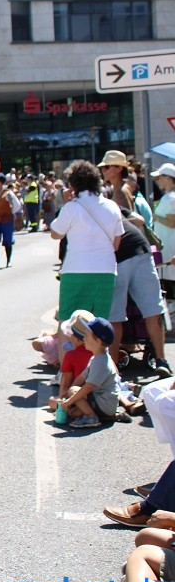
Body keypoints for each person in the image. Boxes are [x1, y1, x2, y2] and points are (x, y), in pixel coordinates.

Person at [49, 160, 122, 323]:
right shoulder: (112, 207)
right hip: (105, 270)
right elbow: (116, 244)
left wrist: (67, 203)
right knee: (100, 323)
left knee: (68, 322)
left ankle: (66, 350)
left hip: (75, 270)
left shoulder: (71, 207)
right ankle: (100, 350)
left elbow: (55, 234)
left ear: (73, 186)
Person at [109, 207, 172, 377]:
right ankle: (161, 360)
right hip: (141, 248)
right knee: (153, 309)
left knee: (114, 314)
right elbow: (139, 220)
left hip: (118, 255)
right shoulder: (114, 206)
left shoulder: (84, 210)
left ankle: (113, 369)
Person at [56, 317, 119, 428]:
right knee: (73, 413)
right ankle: (97, 415)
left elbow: (88, 387)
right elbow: (81, 378)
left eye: (87, 335)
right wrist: (65, 397)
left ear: (98, 341)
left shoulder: (101, 362)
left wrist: (70, 400)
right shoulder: (96, 358)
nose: (84, 338)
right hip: (100, 401)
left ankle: (91, 417)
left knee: (73, 391)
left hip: (104, 404)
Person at [0, 173, 22, 269]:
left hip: (6, 220)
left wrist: (10, 213)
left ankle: (8, 261)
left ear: (2, 183)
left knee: (7, 241)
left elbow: (17, 205)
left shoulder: (8, 193)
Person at [152, 163, 175, 294]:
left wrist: (155, 217)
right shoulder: (169, 197)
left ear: (167, 178)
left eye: (158, 178)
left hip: (169, 251)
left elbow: (172, 222)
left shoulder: (170, 198)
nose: (157, 181)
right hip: (168, 251)